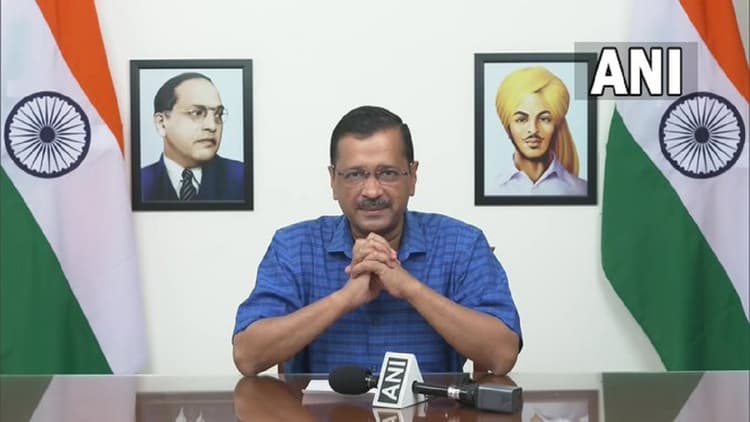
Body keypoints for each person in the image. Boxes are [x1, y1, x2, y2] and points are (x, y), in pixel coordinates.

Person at [233, 105, 522, 375]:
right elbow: (247, 356)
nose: (372, 191)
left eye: (388, 173)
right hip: (318, 410)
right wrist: (344, 299)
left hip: (432, 409)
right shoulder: (293, 246)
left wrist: (409, 287)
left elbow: (502, 354)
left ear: (412, 177)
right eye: (355, 175)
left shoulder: (462, 244)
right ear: (333, 180)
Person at [141, 72, 244, 201]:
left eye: (218, 114)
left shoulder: (242, 178)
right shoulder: (139, 183)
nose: (212, 126)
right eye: (197, 113)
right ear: (162, 123)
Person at [489, 66, 587, 195]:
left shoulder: (581, 190)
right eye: (521, 120)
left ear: (556, 125)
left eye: (544, 119)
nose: (533, 129)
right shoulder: (491, 190)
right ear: (508, 127)